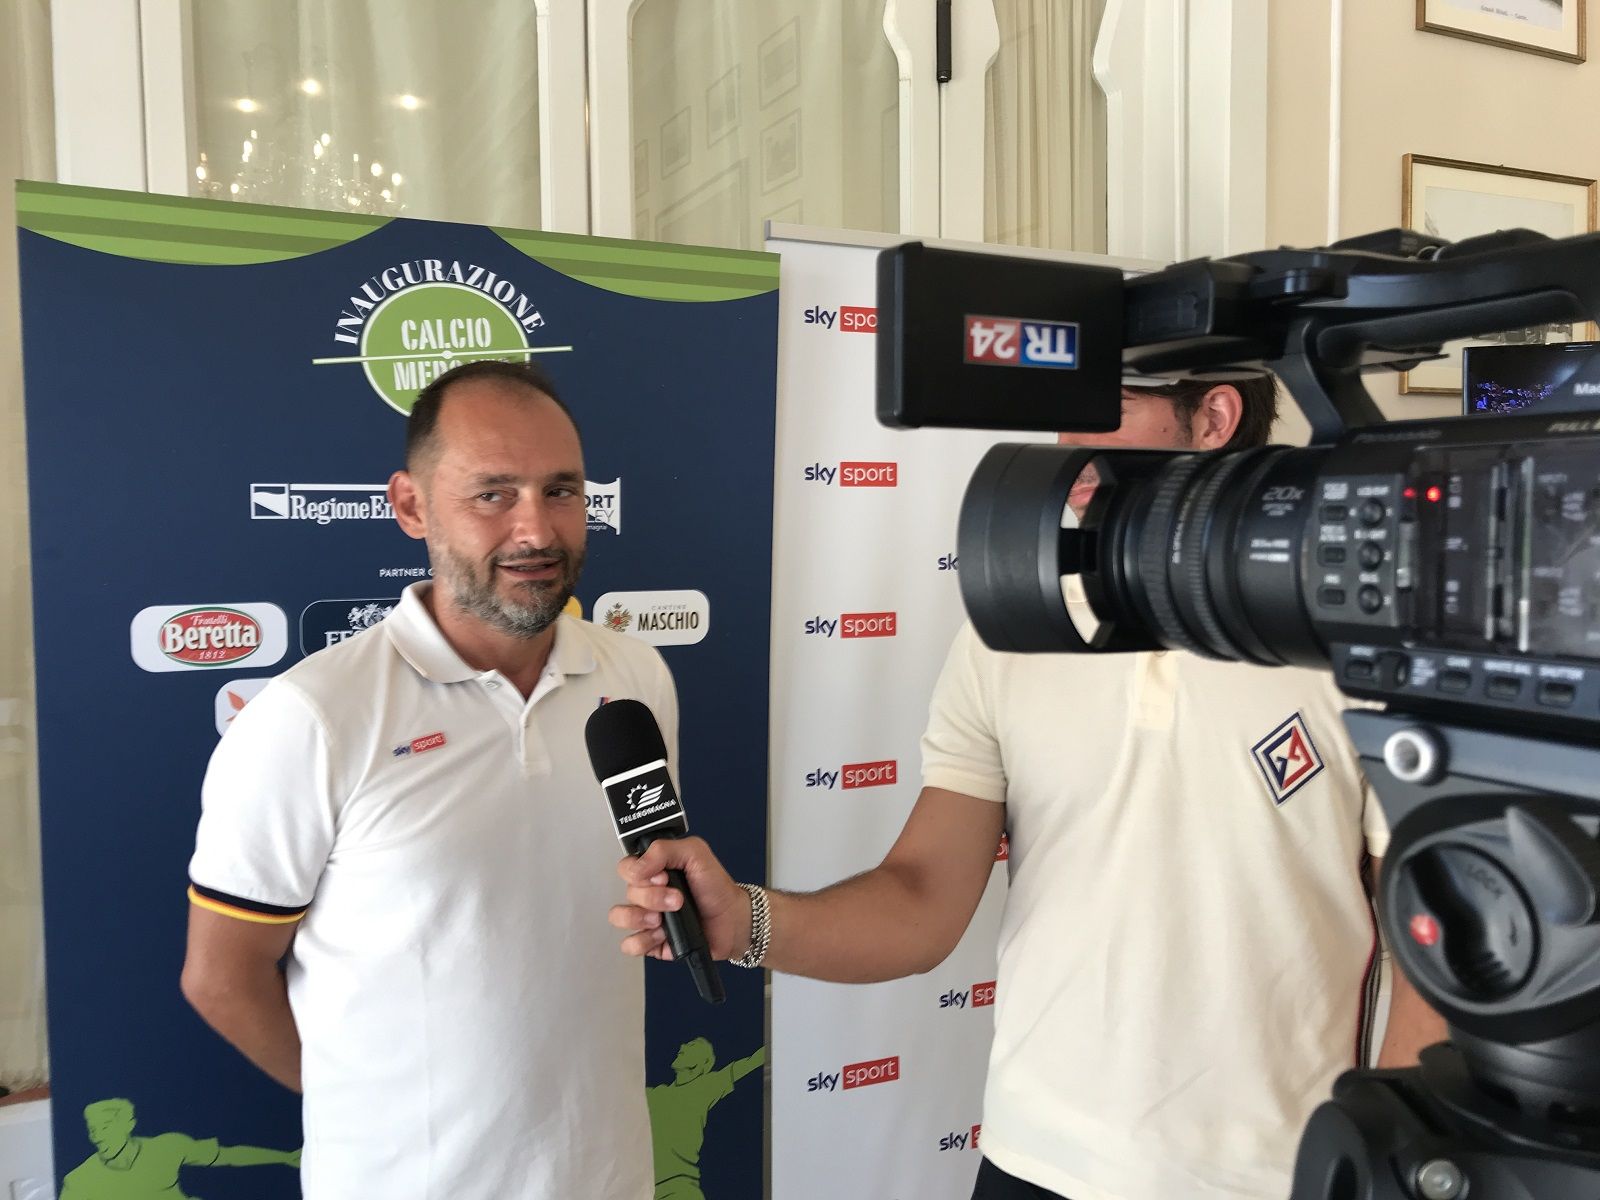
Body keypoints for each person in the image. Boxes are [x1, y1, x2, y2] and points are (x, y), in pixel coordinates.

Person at [612, 378, 1447, 1200]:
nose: (1064, 440)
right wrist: (745, 922)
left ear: (1214, 416)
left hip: (1275, 1177)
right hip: (1031, 1162)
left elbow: (1434, 952)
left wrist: (1394, 1166)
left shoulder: (1360, 639)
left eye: (1103, 407)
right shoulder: (1012, 624)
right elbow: (923, 900)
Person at [182, 359, 675, 1199]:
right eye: (493, 494)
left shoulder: (638, 678)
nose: (536, 530)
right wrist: (370, 1113)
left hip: (609, 1175)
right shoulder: (314, 717)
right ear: (411, 506)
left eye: (561, 491)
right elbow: (221, 977)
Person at [60, 1097, 300, 1200]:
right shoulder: (79, 1181)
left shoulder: (166, 1147)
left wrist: (285, 1157)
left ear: (128, 1125)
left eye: (106, 1127)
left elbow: (229, 1155)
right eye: (93, 1129)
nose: (97, 1137)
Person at [645, 1038, 764, 1200]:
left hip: (678, 1189)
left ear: (702, 1063)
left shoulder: (704, 1087)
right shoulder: (655, 1094)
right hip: (649, 1190)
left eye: (692, 1045)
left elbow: (750, 1063)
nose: (682, 1045)